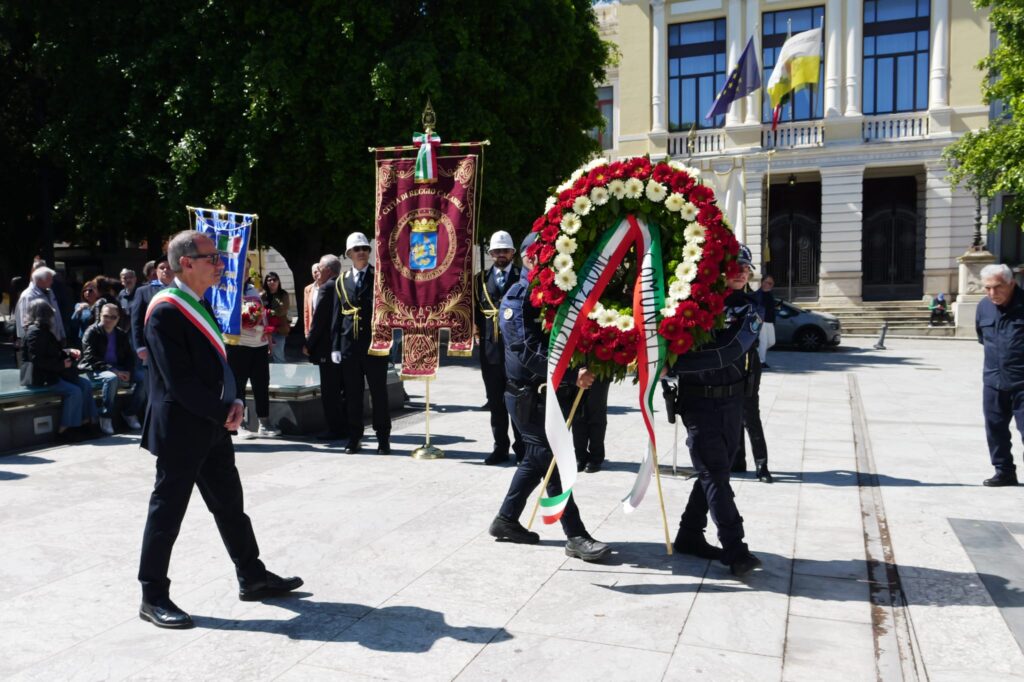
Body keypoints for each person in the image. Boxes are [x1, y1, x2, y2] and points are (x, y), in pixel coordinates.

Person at [137, 230, 302, 630]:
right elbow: (180, 382)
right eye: (212, 258)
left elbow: (216, 365)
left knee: (230, 504)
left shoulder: (200, 303)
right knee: (167, 513)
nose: (220, 264)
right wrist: (220, 410)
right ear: (186, 263)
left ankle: (252, 575)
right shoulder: (166, 311)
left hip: (210, 424)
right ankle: (152, 594)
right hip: (180, 430)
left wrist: (234, 403)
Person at [487, 233, 611, 562]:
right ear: (526, 257)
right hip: (527, 396)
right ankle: (576, 535)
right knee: (553, 462)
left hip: (549, 394)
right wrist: (571, 374)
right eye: (535, 254)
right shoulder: (517, 297)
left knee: (534, 461)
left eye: (547, 254)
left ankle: (506, 520)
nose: (541, 259)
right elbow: (525, 350)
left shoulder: (553, 294)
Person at [667, 243, 763, 577]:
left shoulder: (749, 310)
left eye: (746, 268)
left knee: (714, 470)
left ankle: (690, 534)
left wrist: (674, 363)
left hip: (731, 401)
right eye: (734, 266)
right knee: (713, 472)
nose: (740, 272)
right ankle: (735, 549)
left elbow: (727, 350)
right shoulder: (693, 305)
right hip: (698, 400)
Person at [333, 232, 391, 454]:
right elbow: (337, 317)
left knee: (379, 393)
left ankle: (383, 437)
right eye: (357, 249)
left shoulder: (379, 278)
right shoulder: (341, 281)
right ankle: (355, 436)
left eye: (365, 249)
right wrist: (335, 346)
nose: (362, 253)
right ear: (349, 254)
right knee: (353, 395)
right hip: (349, 345)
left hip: (374, 343)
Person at [475, 230, 525, 465]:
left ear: (513, 253)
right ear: (491, 253)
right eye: (497, 251)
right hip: (491, 349)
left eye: (505, 251)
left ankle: (523, 449)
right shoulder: (479, 280)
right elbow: (475, 312)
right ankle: (500, 448)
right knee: (496, 403)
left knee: (518, 401)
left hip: (517, 349)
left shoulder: (523, 277)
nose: (501, 255)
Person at [20, 299, 98, 441]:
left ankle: (87, 421)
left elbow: (49, 352)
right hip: (41, 377)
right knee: (74, 391)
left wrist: (67, 351)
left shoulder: (41, 331)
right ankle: (65, 429)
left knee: (85, 385)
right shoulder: (35, 332)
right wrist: (62, 365)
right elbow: (37, 360)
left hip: (52, 372)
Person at [976, 263, 1024, 487]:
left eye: (998, 287)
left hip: (1022, 382)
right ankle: (1004, 471)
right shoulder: (983, 307)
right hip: (993, 380)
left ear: (1011, 283)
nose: (992, 293)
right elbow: (982, 338)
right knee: (995, 430)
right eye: (987, 288)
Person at [228, 263, 279, 438]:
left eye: (246, 268)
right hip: (239, 345)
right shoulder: (226, 290)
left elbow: (263, 314)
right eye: (240, 266)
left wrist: (269, 337)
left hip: (259, 344)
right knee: (238, 384)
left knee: (262, 383)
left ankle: (264, 422)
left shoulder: (253, 290)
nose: (243, 272)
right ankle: (238, 423)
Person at [79, 302, 144, 434]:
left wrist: (128, 371)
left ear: (118, 319)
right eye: (106, 316)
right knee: (112, 378)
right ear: (100, 315)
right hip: (95, 369)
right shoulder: (91, 332)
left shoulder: (121, 334)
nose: (108, 320)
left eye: (113, 317)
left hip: (117, 368)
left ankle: (130, 413)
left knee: (143, 378)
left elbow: (129, 357)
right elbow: (90, 357)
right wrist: (113, 370)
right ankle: (105, 415)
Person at [304, 254, 346, 441]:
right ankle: (345, 425)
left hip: (327, 348)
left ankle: (334, 428)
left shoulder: (327, 287)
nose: (317, 273)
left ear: (328, 270)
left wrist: (308, 344)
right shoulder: (344, 283)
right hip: (344, 346)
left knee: (329, 391)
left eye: (319, 269)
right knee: (343, 389)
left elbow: (318, 321)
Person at [15, 266, 66, 346]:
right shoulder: (28, 296)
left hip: (54, 339)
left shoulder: (50, 292)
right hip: (38, 341)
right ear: (40, 280)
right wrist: (28, 341)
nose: (52, 282)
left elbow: (57, 315)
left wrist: (62, 335)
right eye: (49, 279)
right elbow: (24, 321)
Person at [573, 378, 610, 473]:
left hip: (600, 370)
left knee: (597, 413)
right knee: (578, 415)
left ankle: (596, 457)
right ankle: (580, 456)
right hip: (577, 370)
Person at [262, 272, 291, 363]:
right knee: (263, 358)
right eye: (269, 280)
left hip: (279, 330)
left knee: (278, 357)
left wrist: (267, 312)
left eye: (274, 279)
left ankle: (281, 376)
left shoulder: (283, 294)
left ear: (278, 281)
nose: (272, 282)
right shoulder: (263, 295)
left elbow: (282, 311)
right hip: (264, 331)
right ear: (266, 282)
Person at [751, 275, 776, 367]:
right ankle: (761, 362)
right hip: (761, 321)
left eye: (771, 283)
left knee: (772, 342)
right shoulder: (758, 294)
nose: (768, 285)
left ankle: (756, 352)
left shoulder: (770, 294)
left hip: (770, 322)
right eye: (767, 282)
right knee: (764, 342)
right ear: (762, 282)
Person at [70, 280, 100, 346]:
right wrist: (78, 311)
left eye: (90, 290)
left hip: (98, 340)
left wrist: (90, 307)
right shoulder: (79, 305)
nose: (87, 292)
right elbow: (73, 324)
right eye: (85, 290)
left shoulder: (101, 305)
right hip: (83, 340)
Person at [303, 263, 322, 337]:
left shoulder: (330, 286)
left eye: (319, 270)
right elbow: (306, 311)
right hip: (313, 327)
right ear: (312, 274)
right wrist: (306, 332)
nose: (317, 273)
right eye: (315, 272)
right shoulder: (308, 289)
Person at [117, 268, 138, 333]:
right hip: (126, 331)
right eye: (125, 278)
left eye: (131, 277)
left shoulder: (141, 292)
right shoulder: (121, 294)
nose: (128, 280)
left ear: (135, 279)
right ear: (121, 281)